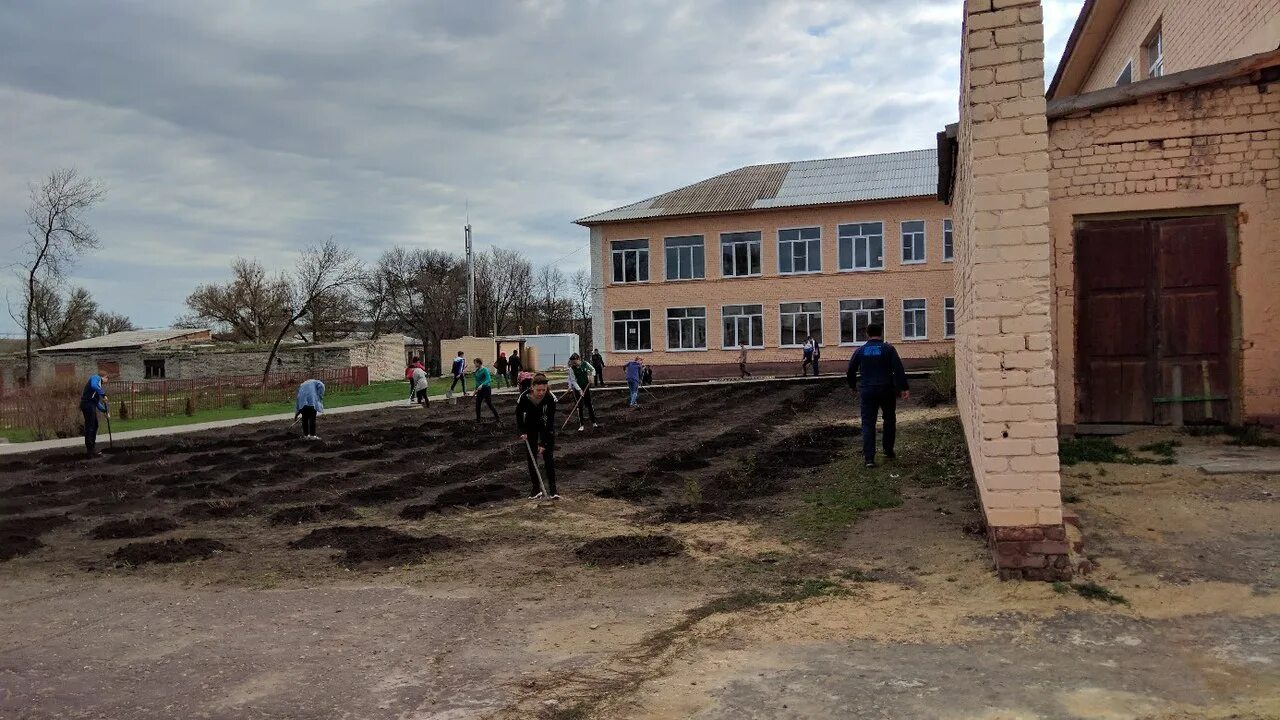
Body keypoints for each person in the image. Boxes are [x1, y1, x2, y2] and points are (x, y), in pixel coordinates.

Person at [846, 323, 909, 468]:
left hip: (868, 390)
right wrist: (904, 388)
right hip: (887, 389)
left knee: (868, 423)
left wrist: (852, 386)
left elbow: (850, 370)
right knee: (889, 419)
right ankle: (888, 450)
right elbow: (898, 368)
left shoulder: (860, 351)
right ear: (881, 333)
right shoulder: (889, 349)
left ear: (867, 334)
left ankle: (869, 459)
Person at [516, 373, 559, 500]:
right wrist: (522, 431)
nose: (541, 393)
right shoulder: (524, 397)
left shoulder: (550, 399)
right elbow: (519, 416)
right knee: (532, 459)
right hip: (530, 428)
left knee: (548, 458)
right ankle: (536, 489)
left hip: (546, 429)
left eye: (543, 390)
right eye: (538, 390)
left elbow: (549, 422)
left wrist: (543, 443)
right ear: (532, 387)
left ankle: (553, 490)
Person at [566, 353, 601, 432]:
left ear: (579, 359)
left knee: (589, 405)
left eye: (575, 362)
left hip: (586, 387)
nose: (574, 364)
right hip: (577, 389)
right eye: (572, 362)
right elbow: (573, 381)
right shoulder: (571, 369)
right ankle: (581, 425)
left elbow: (593, 370)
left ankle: (594, 422)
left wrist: (591, 376)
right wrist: (579, 390)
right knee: (580, 406)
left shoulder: (585, 364)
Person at [78, 372, 110, 458]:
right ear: (104, 377)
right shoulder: (95, 378)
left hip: (90, 404)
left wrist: (104, 411)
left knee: (94, 425)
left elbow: (96, 402)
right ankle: (90, 451)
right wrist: (103, 394)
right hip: (87, 404)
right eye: (107, 379)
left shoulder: (97, 388)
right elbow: (94, 386)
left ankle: (92, 448)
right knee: (90, 426)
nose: (106, 381)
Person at [473, 357, 499, 423]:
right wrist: (475, 390)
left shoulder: (485, 370)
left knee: (489, 404)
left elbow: (489, 379)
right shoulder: (477, 370)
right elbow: (477, 381)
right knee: (477, 404)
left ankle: (498, 418)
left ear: (479, 363)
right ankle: (478, 420)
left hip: (486, 389)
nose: (474, 364)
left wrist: (482, 385)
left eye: (475, 363)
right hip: (479, 390)